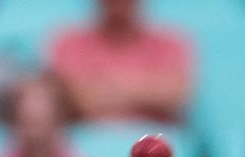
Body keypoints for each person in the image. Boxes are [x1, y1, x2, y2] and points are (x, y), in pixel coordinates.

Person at [48, 0, 193, 124]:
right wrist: (146, 87)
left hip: (157, 143)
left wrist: (102, 88)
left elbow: (174, 96)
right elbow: (73, 99)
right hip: (85, 145)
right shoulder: (68, 43)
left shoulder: (170, 43)